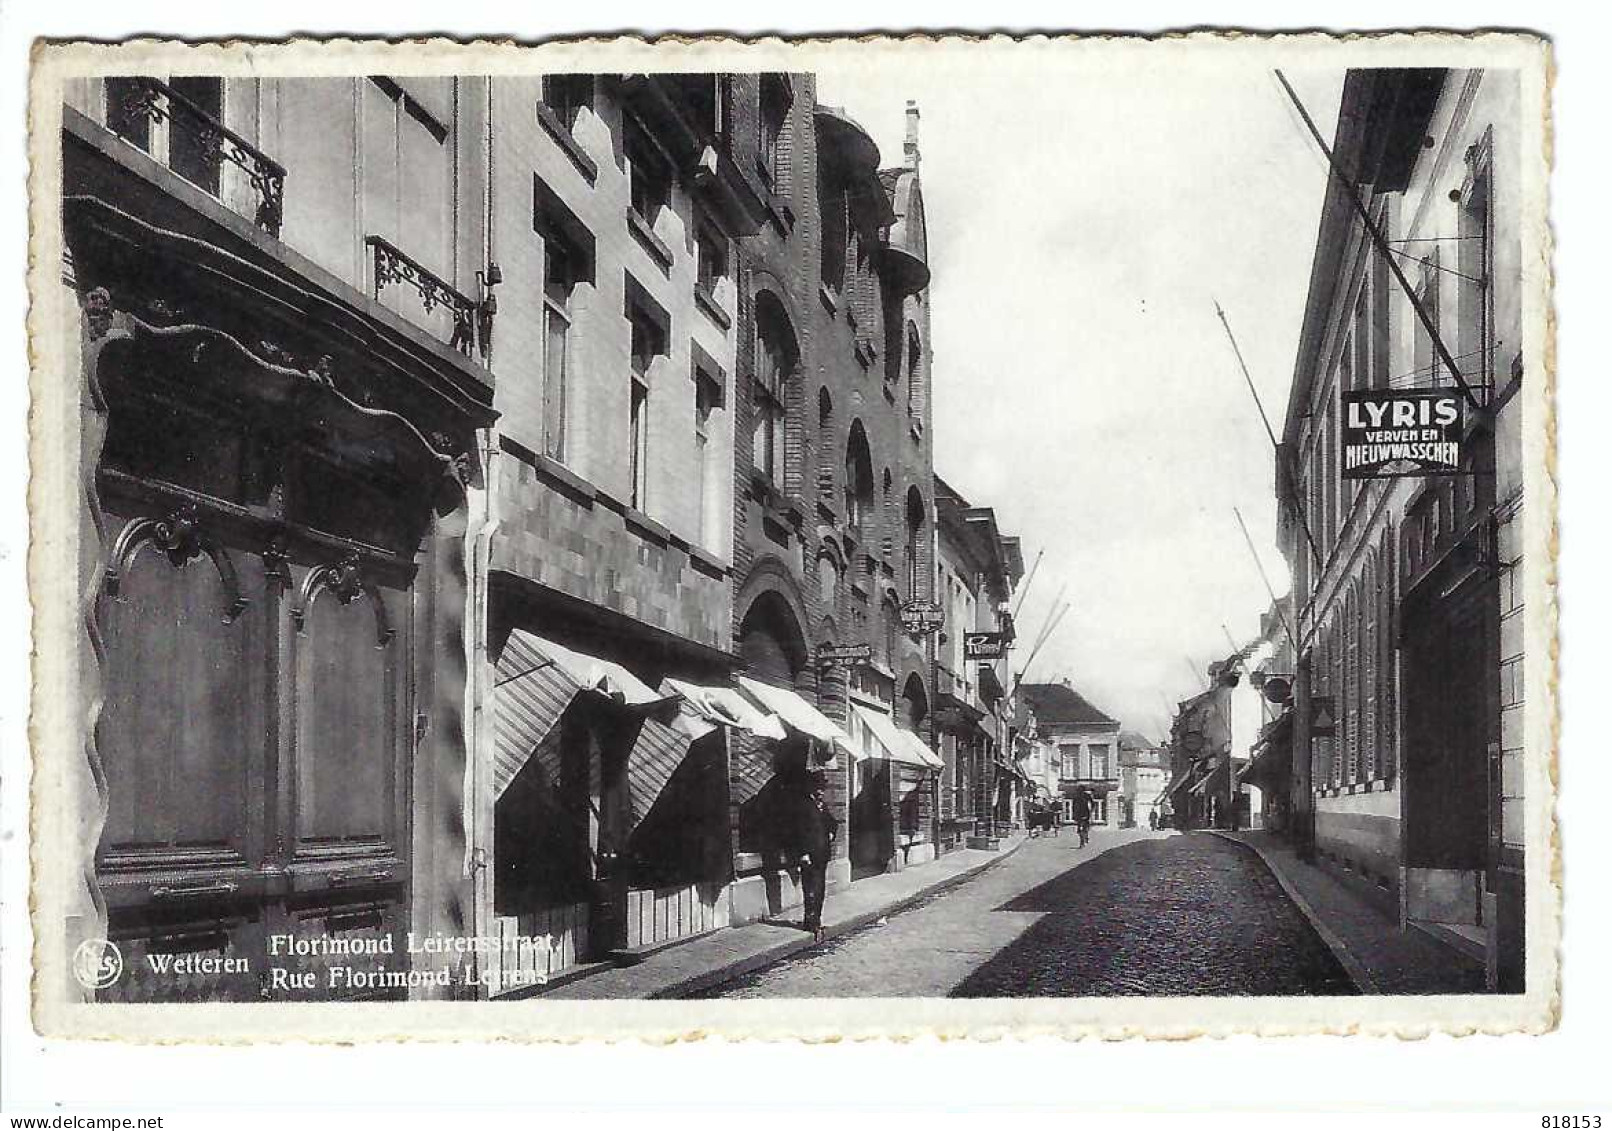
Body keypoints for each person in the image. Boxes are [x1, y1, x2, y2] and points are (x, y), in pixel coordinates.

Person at [798, 772, 838, 943]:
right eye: (818, 788)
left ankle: (817, 919)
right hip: (809, 855)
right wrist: (803, 853)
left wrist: (831, 832)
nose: (821, 792)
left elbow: (833, 822)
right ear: (811, 789)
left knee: (820, 888)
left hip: (822, 854)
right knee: (810, 889)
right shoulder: (803, 806)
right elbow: (799, 832)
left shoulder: (822, 806)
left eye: (822, 788)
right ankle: (810, 921)